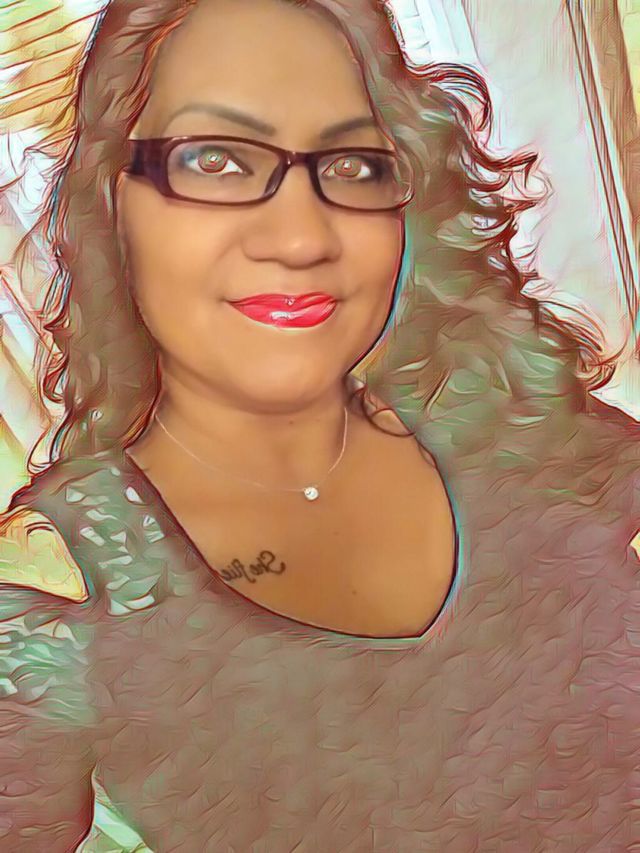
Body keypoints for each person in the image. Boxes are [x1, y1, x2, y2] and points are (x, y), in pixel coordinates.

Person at [1, 0, 639, 849]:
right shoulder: (61, 590)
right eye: (216, 159)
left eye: (354, 164)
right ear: (113, 202)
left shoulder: (497, 410)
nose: (303, 238)